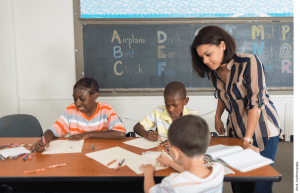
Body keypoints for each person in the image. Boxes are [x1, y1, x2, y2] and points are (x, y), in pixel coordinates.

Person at [190, 25, 282, 193]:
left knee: (260, 183)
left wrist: (247, 140)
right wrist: (218, 116)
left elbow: (255, 103)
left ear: (222, 45)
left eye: (208, 54)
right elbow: (222, 94)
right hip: (236, 129)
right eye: (201, 57)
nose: (205, 61)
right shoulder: (213, 72)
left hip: (263, 129)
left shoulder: (249, 62)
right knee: (238, 182)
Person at [35, 78, 126, 151]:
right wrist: (43, 141)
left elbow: (121, 133)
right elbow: (53, 130)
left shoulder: (106, 109)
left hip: (101, 154)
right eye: (75, 99)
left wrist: (89, 134)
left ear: (95, 96)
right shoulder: (71, 110)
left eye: (82, 99)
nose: (77, 103)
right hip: (77, 157)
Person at [139, 115, 224, 193]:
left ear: (175, 153)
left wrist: (148, 172)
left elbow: (150, 191)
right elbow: (194, 173)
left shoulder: (173, 183)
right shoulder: (218, 169)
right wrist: (170, 163)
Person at [133, 81, 197, 146]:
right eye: (167, 105)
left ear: (185, 101)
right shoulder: (158, 111)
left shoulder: (192, 116)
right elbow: (137, 127)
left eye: (175, 106)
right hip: (161, 152)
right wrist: (146, 134)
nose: (170, 109)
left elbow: (204, 136)